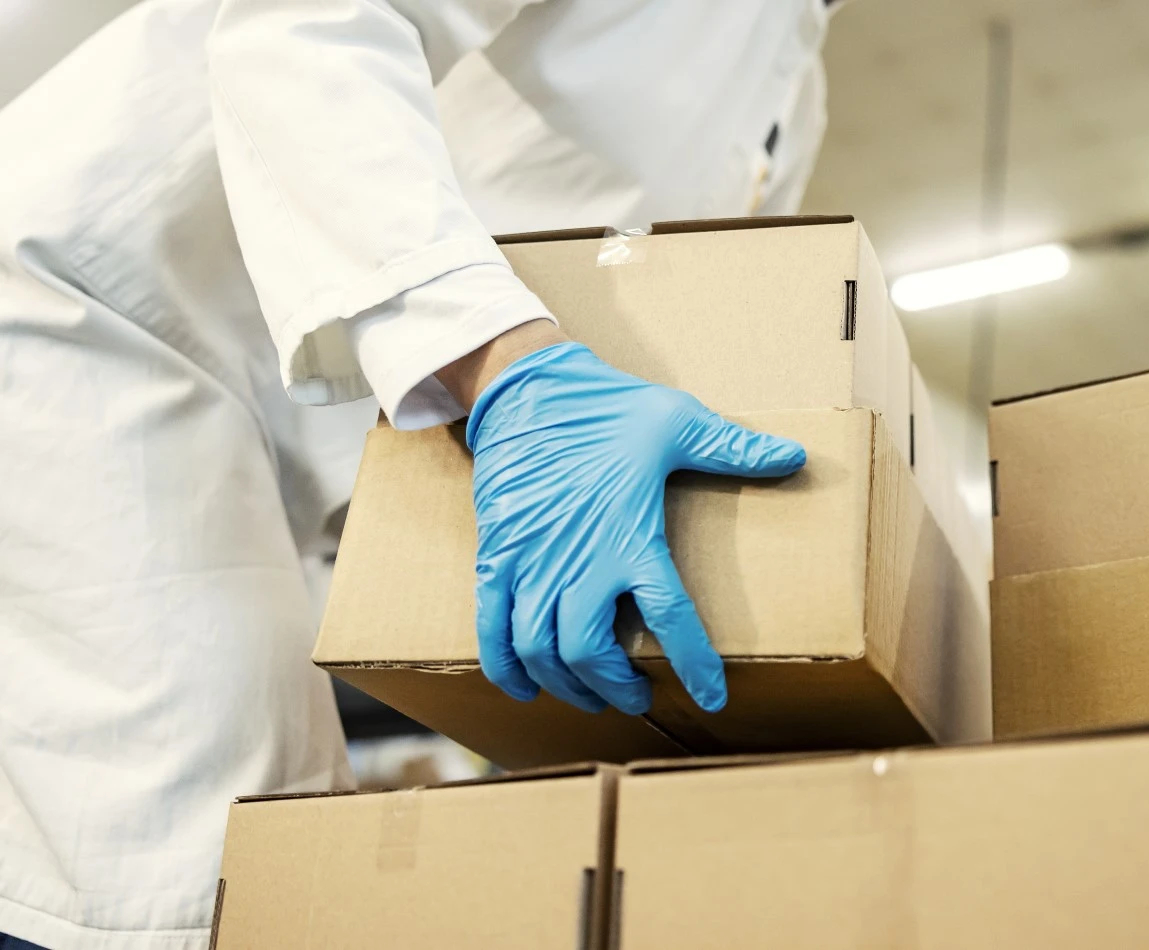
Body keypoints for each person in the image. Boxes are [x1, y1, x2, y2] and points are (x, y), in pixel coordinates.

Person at [0, 0, 837, 947]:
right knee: (218, 879)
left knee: (286, 871)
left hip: (298, 429)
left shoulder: (793, 83)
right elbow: (309, 26)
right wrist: (514, 372)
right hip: (101, 325)